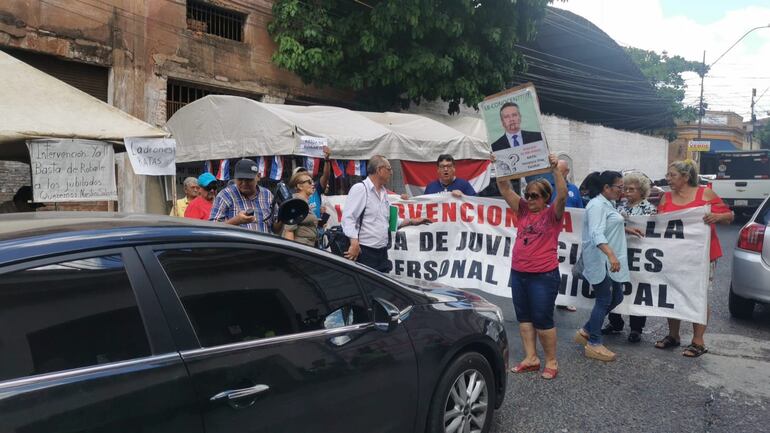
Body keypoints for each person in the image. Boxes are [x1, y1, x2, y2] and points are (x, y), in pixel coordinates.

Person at [653, 160, 733, 358]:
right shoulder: (666, 197)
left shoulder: (704, 193)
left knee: (697, 295)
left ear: (685, 177)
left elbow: (729, 215)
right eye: (668, 175)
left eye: (672, 175)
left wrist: (717, 217)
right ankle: (673, 335)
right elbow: (659, 223)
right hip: (674, 256)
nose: (668, 179)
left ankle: (698, 341)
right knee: (671, 293)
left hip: (702, 256)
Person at [498, 153, 566, 380]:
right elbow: (505, 188)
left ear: (546, 198)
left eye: (535, 196)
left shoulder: (552, 214)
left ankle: (552, 361)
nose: (529, 199)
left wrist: (556, 169)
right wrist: (499, 162)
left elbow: (563, 195)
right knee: (524, 317)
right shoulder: (523, 209)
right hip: (519, 273)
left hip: (543, 275)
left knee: (543, 319)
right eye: (528, 195)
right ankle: (531, 358)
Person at [573, 171, 628, 362]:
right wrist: (610, 254)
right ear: (606, 187)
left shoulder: (608, 203)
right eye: (619, 187)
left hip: (608, 258)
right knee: (604, 299)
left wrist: (627, 229)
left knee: (617, 296)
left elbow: (607, 225)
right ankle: (594, 343)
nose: (622, 190)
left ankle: (587, 330)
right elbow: (597, 233)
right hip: (600, 258)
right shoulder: (596, 205)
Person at [342, 155, 430, 272]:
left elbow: (390, 221)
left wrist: (413, 221)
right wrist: (354, 243)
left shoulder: (384, 193)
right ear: (379, 170)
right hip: (365, 252)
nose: (391, 172)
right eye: (389, 169)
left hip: (382, 252)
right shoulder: (360, 189)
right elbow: (348, 218)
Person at [602, 172, 656, 342]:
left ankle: (636, 328)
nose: (627, 192)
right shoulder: (619, 206)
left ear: (642, 191)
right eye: (625, 188)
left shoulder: (650, 209)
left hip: (640, 255)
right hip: (619, 253)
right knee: (615, 287)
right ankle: (615, 322)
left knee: (637, 290)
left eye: (632, 189)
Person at [210, 159, 280, 233]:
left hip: (264, 244)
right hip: (237, 244)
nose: (244, 183)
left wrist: (284, 216)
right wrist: (236, 221)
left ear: (258, 176)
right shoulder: (225, 195)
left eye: (248, 180)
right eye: (240, 179)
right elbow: (213, 229)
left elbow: (275, 229)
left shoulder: (268, 195)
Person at [550, 160, 583, 312]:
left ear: (567, 172)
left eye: (559, 170)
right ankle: (551, 297)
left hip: (570, 238)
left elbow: (581, 213)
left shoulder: (574, 190)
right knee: (552, 267)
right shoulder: (548, 188)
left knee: (568, 267)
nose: (555, 173)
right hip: (553, 236)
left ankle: (565, 298)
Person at [282, 171, 320, 247]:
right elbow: (289, 231)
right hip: (301, 249)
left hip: (308, 248)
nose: (313, 184)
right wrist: (292, 254)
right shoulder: (295, 203)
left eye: (312, 181)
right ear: (300, 186)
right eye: (309, 182)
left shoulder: (303, 203)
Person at [293, 146, 332, 218]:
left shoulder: (315, 189)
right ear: (298, 185)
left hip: (318, 229)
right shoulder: (292, 200)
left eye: (305, 173)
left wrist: (327, 160)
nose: (303, 175)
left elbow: (326, 176)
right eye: (299, 175)